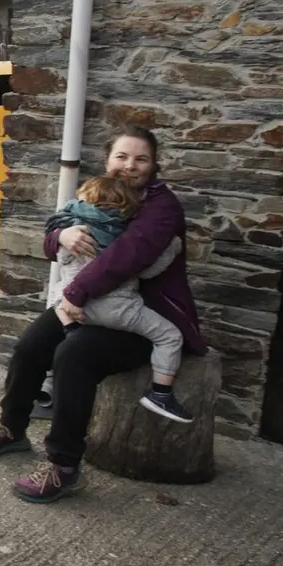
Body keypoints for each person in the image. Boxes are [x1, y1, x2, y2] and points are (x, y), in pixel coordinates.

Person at [0, 124, 208, 504]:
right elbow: (60, 230)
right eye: (122, 156)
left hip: (141, 315)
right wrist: (60, 237)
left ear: (154, 165)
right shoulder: (98, 191)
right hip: (87, 301)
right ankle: (12, 428)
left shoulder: (161, 207)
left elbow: (126, 256)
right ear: (108, 159)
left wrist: (73, 296)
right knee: (31, 346)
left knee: (74, 355)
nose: (130, 166)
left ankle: (63, 465)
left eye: (141, 159)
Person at [44, 173, 191, 423]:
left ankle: (70, 330)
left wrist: (60, 236)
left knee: (57, 292)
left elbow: (58, 256)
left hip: (73, 308)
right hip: (119, 309)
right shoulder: (126, 237)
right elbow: (148, 270)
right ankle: (161, 393)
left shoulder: (75, 229)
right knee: (169, 335)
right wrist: (172, 248)